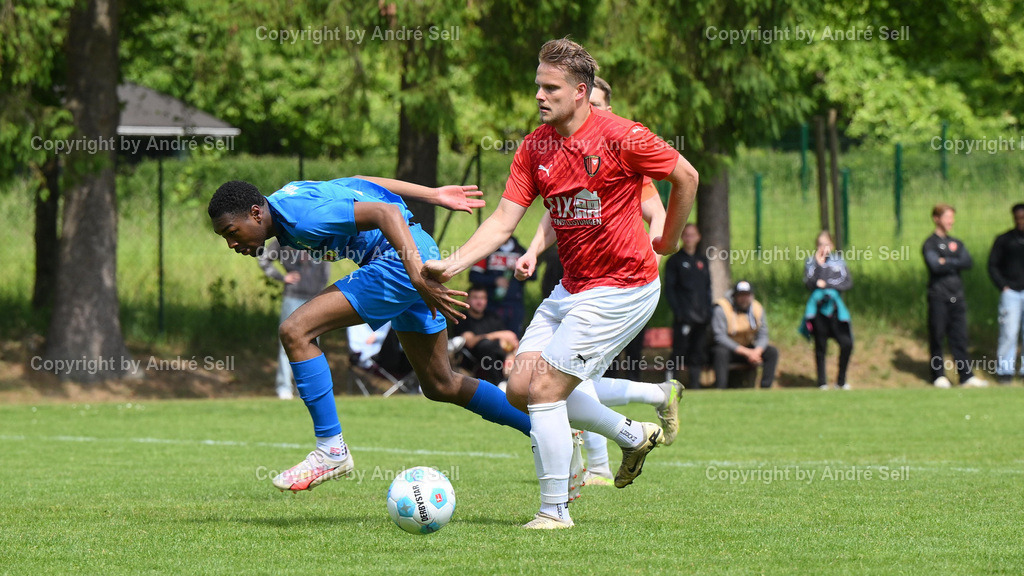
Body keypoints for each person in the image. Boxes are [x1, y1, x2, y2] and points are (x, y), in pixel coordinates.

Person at [424, 39, 699, 529]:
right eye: (537, 86)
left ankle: (554, 511)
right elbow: (504, 221)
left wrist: (671, 240)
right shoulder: (535, 146)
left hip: (625, 286)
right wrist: (453, 264)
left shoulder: (622, 136)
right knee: (518, 389)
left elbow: (687, 176)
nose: (539, 96)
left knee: (547, 388)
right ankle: (631, 434)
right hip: (573, 287)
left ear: (579, 92)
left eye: (550, 88)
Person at [208, 176, 534, 493]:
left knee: (295, 331)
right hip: (414, 253)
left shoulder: (303, 218)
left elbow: (385, 213)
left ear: (255, 213)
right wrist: (432, 194)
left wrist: (417, 276)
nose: (231, 243)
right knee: (440, 384)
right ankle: (543, 430)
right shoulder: (287, 198)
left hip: (399, 262)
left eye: (231, 232)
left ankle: (331, 451)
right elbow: (361, 181)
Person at [923, 204, 988, 388]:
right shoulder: (930, 243)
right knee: (937, 335)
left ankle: (965, 376)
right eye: (947, 217)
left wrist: (946, 260)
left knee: (960, 337)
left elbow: (967, 262)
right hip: (938, 297)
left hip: (957, 297)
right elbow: (935, 265)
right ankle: (938, 375)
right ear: (936, 218)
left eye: (952, 217)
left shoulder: (956, 242)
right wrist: (954, 261)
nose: (951, 221)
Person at [258, 238, 331, 399]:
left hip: (315, 298)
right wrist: (281, 277)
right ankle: (284, 387)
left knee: (313, 344)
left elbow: (327, 265)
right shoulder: (284, 237)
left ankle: (306, 388)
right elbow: (263, 259)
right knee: (287, 342)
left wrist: (322, 292)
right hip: (293, 296)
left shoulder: (318, 235)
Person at [801, 230, 854, 390]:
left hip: (836, 309)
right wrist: (819, 264)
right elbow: (811, 284)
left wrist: (828, 285)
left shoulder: (839, 262)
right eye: (820, 244)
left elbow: (846, 283)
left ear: (831, 245)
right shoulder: (811, 263)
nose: (823, 247)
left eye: (826, 244)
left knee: (847, 343)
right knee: (820, 346)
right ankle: (822, 382)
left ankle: (841, 381)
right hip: (818, 310)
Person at [664, 223, 712, 387]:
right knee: (679, 351)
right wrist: (679, 312)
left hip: (701, 317)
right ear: (682, 237)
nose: (690, 238)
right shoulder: (674, 261)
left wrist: (708, 311)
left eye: (693, 235)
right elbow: (670, 290)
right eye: (686, 235)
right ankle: (670, 383)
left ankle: (695, 385)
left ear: (698, 237)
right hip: (684, 317)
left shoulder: (702, 261)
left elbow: (707, 288)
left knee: (697, 352)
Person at [710, 281, 779, 389]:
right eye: (741, 295)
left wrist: (757, 351)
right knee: (720, 352)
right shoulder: (721, 308)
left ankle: (766, 388)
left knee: (772, 352)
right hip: (729, 349)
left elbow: (763, 334)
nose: (744, 298)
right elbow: (720, 337)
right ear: (734, 296)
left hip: (749, 348)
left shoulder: (757, 308)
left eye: (747, 295)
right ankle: (721, 388)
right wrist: (746, 352)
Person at [449, 285, 520, 385]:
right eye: (475, 298)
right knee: (485, 345)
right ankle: (498, 383)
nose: (479, 302)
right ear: (467, 300)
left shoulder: (492, 317)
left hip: (499, 355)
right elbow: (470, 342)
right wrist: (497, 335)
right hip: (472, 358)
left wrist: (510, 355)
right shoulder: (462, 318)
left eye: (482, 298)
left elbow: (510, 338)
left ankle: (514, 383)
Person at [987, 203, 1024, 385]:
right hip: (1011, 293)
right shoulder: (1004, 240)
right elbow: (992, 265)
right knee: (1008, 333)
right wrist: (1003, 286)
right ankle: (1005, 371)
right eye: (1018, 218)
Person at [469, 236, 533, 336]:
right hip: (491, 305)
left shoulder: (520, 251)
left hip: (515, 306)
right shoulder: (487, 251)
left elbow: (534, 275)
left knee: (514, 340)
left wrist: (521, 270)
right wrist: (494, 280)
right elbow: (474, 276)